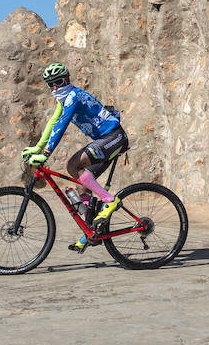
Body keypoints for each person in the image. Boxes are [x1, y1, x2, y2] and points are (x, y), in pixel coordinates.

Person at [20, 63, 128, 252]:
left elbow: (61, 125)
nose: (55, 88)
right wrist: (38, 147)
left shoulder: (73, 97)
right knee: (78, 178)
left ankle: (110, 201)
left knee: (73, 163)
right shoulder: (64, 100)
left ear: (67, 79)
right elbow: (53, 122)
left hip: (113, 137)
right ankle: (90, 230)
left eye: (58, 82)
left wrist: (45, 154)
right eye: (50, 85)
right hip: (105, 139)